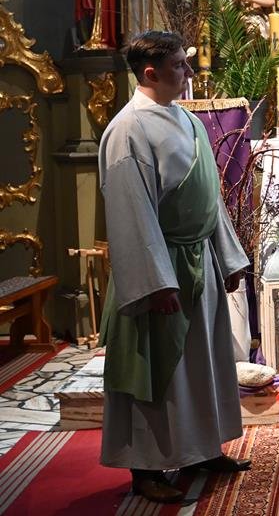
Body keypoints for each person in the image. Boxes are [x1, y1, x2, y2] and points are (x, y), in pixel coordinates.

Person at [98, 31, 251, 503]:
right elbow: (131, 213)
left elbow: (209, 198)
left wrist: (227, 256)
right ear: (151, 72)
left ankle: (199, 448)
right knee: (156, 371)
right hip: (161, 268)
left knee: (200, 364)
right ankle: (145, 468)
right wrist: (155, 282)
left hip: (198, 260)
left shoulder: (186, 119)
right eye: (180, 64)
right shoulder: (128, 129)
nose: (188, 71)